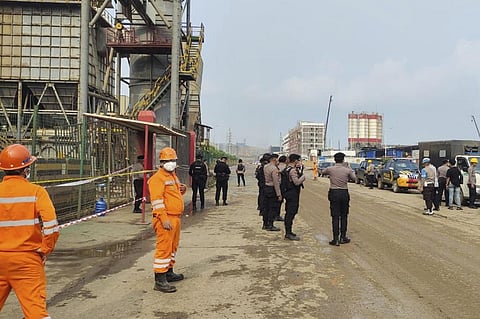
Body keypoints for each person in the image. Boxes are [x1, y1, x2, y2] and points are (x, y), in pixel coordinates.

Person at [0, 144, 60, 318]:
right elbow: (51, 227)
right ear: (25, 169)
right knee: (35, 312)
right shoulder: (36, 192)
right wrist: (44, 250)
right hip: (27, 260)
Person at [148, 147, 187, 293]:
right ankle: (160, 280)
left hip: (175, 218)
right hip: (166, 218)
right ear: (161, 162)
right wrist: (163, 219)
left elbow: (172, 195)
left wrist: (181, 190)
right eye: (167, 161)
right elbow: (157, 201)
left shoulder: (172, 176)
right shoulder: (157, 179)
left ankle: (168, 272)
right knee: (164, 248)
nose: (170, 163)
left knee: (172, 247)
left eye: (173, 160)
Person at [322, 152, 356, 246]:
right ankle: (343, 237)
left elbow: (323, 172)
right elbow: (354, 178)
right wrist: (349, 168)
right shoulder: (347, 170)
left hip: (333, 192)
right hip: (344, 193)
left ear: (334, 160)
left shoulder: (330, 169)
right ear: (343, 160)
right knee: (344, 216)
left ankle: (335, 239)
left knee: (335, 217)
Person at [283, 153, 306, 240]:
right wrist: (303, 177)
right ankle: (288, 233)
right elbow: (296, 182)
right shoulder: (292, 170)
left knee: (289, 212)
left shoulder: (287, 168)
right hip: (292, 193)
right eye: (298, 160)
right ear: (295, 160)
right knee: (291, 212)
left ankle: (289, 231)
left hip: (288, 193)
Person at [263, 153, 282, 231]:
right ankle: (270, 224)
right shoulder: (274, 169)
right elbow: (276, 182)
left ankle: (265, 224)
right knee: (272, 207)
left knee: (266, 207)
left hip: (266, 187)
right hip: (272, 189)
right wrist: (279, 194)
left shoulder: (265, 167)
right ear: (274, 159)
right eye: (277, 159)